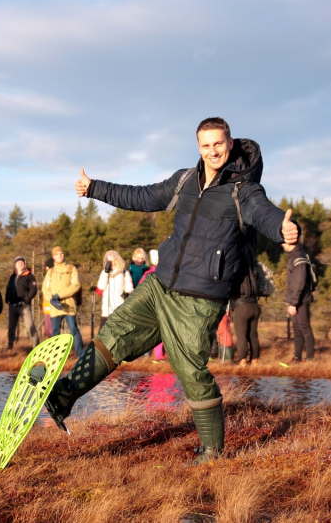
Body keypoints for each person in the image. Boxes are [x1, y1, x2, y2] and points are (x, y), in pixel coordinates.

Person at [44, 117, 299, 464]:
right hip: (160, 285)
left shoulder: (244, 190)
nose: (213, 151)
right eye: (206, 146)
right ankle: (63, 396)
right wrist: (94, 188)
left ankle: (212, 451)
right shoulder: (185, 180)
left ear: (230, 142)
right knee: (114, 335)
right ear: (199, 147)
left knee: (190, 368)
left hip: (199, 298)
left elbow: (265, 214)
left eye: (219, 144)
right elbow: (142, 196)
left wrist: (284, 228)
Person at [42, 247, 84, 357]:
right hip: (55, 306)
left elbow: (76, 285)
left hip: (69, 304)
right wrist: (51, 299)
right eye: (57, 254)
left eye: (61, 254)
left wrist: (59, 295)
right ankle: (54, 356)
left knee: (74, 330)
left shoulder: (71, 269)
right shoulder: (50, 272)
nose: (60, 256)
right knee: (55, 332)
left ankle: (80, 354)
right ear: (53, 257)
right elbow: (45, 289)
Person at [283, 240, 315, 363]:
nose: (282, 245)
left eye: (283, 243)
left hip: (301, 300)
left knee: (304, 328)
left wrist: (293, 303)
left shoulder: (299, 258)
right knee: (297, 329)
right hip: (296, 299)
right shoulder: (295, 257)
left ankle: (310, 358)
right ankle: (297, 358)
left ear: (290, 243)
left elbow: (299, 283)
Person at [5, 256, 40, 349]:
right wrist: (7, 299)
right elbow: (8, 288)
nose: (20, 264)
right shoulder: (12, 276)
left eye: (22, 262)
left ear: (24, 264)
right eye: (18, 263)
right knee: (11, 327)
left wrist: (26, 300)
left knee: (30, 326)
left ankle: (36, 346)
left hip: (24, 306)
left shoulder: (29, 275)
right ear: (15, 265)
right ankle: (10, 346)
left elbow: (34, 289)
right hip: (12, 305)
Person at [231, 265, 261, 366]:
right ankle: (254, 360)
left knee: (241, 336)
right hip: (255, 306)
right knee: (253, 335)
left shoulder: (236, 272)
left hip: (242, 307)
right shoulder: (254, 271)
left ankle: (242, 360)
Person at [95, 250, 133, 329]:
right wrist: (106, 272)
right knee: (103, 333)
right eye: (110, 261)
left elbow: (129, 287)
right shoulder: (105, 273)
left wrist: (126, 293)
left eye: (114, 260)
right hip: (107, 308)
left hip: (120, 306)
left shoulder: (124, 272)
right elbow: (101, 287)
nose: (113, 263)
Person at [41, 257, 54, 339]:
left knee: (50, 331)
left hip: (53, 308)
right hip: (47, 309)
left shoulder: (53, 278)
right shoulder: (47, 277)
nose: (46, 269)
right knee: (47, 331)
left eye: (47, 267)